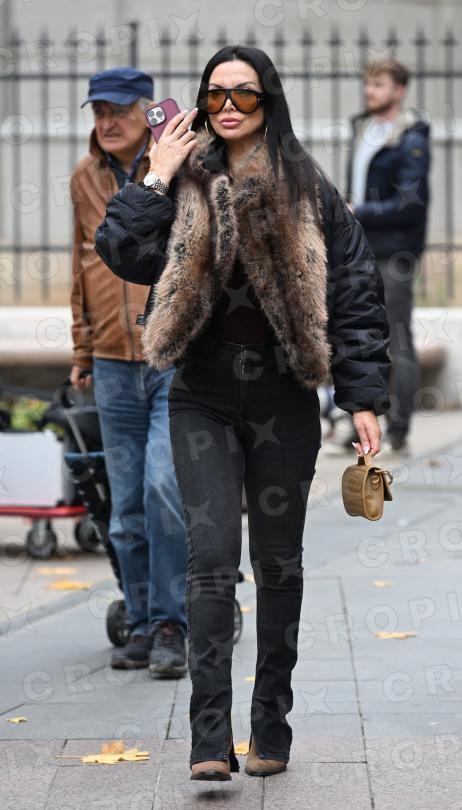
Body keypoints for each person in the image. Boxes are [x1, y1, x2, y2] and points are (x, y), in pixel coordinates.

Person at [94, 46, 391, 781]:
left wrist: (362, 397)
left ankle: (271, 728)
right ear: (201, 102)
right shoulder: (181, 177)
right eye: (216, 94)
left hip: (284, 396)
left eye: (246, 95)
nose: (229, 107)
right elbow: (121, 250)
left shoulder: (307, 185)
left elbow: (355, 291)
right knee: (210, 558)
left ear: (269, 102)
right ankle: (208, 739)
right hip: (203, 393)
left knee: (279, 564)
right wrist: (157, 174)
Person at [69, 66, 188, 676]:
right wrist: (82, 351)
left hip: (171, 356)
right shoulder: (85, 178)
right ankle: (141, 622)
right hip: (112, 364)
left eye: (118, 110)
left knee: (165, 489)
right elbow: (83, 266)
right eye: (99, 111)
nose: (107, 122)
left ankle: (173, 622)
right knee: (125, 509)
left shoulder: (178, 165)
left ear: (146, 110)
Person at [345, 57, 430, 454]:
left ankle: (398, 429)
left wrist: (359, 211)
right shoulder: (364, 130)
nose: (369, 91)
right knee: (360, 336)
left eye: (378, 84)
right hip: (360, 249)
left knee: (397, 340)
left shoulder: (411, 138)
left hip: (394, 252)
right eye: (368, 83)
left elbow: (410, 203)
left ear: (399, 90)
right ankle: (363, 425)